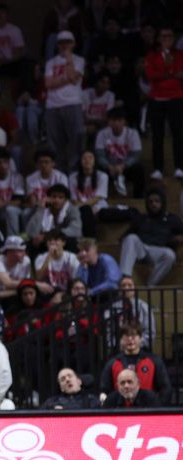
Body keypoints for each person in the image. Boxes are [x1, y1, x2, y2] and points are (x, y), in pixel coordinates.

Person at [119, 189, 183, 286]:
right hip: (142, 250)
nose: (153, 204)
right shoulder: (141, 218)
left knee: (170, 255)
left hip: (159, 251)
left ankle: (150, 285)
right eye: (150, 202)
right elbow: (124, 237)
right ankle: (125, 277)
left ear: (162, 202)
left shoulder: (172, 219)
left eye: (157, 201)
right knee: (131, 238)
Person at [99, 323, 172, 405]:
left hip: (148, 410)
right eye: (126, 336)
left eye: (133, 336)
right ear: (121, 340)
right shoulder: (112, 363)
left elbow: (165, 388)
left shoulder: (154, 361)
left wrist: (159, 408)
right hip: (119, 411)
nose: (130, 339)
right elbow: (104, 390)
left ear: (140, 338)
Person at [145, 25, 183, 180]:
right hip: (157, 99)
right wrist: (170, 72)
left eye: (169, 36)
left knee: (178, 134)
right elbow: (151, 76)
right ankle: (158, 168)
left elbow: (182, 74)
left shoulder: (180, 55)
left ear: (174, 39)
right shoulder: (151, 56)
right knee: (157, 135)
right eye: (163, 36)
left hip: (177, 98)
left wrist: (166, 73)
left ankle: (180, 167)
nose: (166, 39)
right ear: (159, 39)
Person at [44, 31, 85, 173]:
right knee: (55, 144)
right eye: (61, 43)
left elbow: (74, 77)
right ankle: (59, 175)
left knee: (76, 141)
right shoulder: (50, 62)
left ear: (73, 44)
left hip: (72, 104)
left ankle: (74, 174)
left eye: (67, 42)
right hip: (53, 106)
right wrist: (65, 78)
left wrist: (68, 60)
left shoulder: (79, 60)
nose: (64, 45)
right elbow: (48, 83)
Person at [95, 107, 144, 197]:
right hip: (109, 167)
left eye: (119, 120)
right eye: (113, 120)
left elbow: (136, 155)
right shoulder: (102, 134)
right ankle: (100, 198)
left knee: (139, 169)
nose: (116, 123)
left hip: (126, 167)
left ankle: (139, 198)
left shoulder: (132, 133)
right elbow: (100, 155)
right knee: (98, 169)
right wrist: (109, 167)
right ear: (108, 121)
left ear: (124, 121)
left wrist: (123, 166)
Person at [26, 183, 82, 255]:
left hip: (65, 242)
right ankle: (38, 265)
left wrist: (48, 235)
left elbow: (75, 231)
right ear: (48, 198)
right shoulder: (44, 210)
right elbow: (31, 233)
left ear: (66, 200)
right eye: (54, 197)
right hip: (46, 242)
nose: (56, 200)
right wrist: (40, 209)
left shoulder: (72, 210)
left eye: (60, 197)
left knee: (71, 242)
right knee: (32, 242)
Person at [104, 275, 156, 350]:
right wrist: (119, 344)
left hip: (141, 349)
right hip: (119, 349)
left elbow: (150, 332)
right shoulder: (112, 308)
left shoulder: (144, 306)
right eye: (123, 285)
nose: (126, 288)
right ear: (119, 289)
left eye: (129, 285)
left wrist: (136, 344)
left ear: (134, 288)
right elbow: (109, 333)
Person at [69, 150, 109, 237]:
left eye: (90, 158)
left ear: (95, 161)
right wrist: (83, 207)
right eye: (84, 158)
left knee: (88, 211)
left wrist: (83, 206)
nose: (87, 160)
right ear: (80, 161)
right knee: (84, 212)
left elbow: (97, 198)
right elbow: (73, 199)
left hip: (98, 206)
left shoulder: (103, 176)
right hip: (79, 207)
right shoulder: (72, 177)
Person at [0, 236, 32, 306]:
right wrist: (34, 284)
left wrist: (26, 286)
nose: (24, 254)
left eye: (24, 250)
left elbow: (24, 287)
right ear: (9, 252)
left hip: (13, 295)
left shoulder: (26, 261)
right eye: (20, 251)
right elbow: (8, 284)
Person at [35, 229, 80, 293]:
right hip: (48, 292)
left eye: (56, 240)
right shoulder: (40, 258)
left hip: (67, 291)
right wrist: (49, 256)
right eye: (49, 240)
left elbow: (76, 280)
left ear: (63, 242)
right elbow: (39, 278)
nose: (52, 243)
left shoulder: (72, 258)